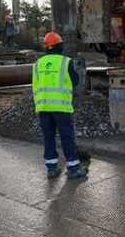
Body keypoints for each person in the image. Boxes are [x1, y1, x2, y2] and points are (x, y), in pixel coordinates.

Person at [32, 31, 87, 179]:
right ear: (59, 46)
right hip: (61, 107)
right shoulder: (66, 62)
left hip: (43, 107)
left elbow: (35, 85)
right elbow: (75, 81)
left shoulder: (37, 64)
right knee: (66, 137)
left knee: (48, 137)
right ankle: (73, 169)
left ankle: (51, 169)